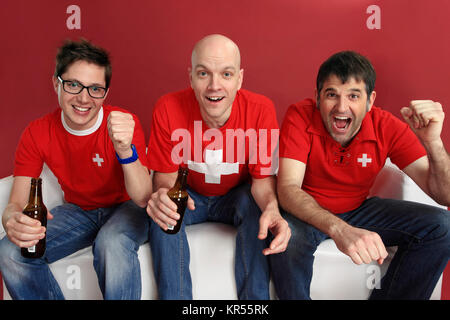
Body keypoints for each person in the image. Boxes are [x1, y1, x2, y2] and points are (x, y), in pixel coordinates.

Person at [270, 51, 450, 299]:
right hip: (305, 211)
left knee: (443, 226)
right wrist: (340, 230)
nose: (341, 107)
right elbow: (288, 189)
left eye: (353, 96)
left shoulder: (387, 127)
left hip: (358, 209)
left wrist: (433, 144)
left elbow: (445, 196)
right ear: (317, 97)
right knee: (288, 239)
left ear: (370, 100)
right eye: (331, 94)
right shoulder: (300, 115)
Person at [0, 39, 152, 299]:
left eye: (95, 89)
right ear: (56, 84)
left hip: (126, 207)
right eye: (73, 85)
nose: (84, 98)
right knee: (10, 251)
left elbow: (143, 198)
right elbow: (16, 202)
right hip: (80, 211)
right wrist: (11, 220)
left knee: (111, 243)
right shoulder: (37, 132)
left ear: (106, 92)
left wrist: (125, 150)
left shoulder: (124, 122)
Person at [146, 34, 291, 299]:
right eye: (204, 74)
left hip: (237, 195)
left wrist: (272, 208)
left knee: (257, 209)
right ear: (191, 78)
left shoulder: (261, 110)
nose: (215, 86)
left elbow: (261, 181)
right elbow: (165, 179)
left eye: (226, 74)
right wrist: (165, 199)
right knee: (164, 213)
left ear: (239, 79)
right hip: (190, 195)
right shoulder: (167, 108)